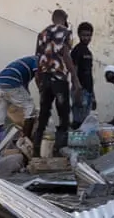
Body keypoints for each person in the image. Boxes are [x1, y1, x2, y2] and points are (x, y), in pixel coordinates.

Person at [34, 9, 79, 155]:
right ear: (65, 18)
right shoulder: (66, 32)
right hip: (59, 78)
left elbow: (38, 57)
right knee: (63, 115)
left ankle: (36, 150)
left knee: (43, 115)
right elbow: (66, 54)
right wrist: (75, 77)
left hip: (45, 78)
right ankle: (59, 150)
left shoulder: (42, 33)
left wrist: (39, 79)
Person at [0, 55, 38, 146]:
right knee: (30, 109)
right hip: (11, 84)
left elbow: (24, 89)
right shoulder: (38, 60)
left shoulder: (24, 64)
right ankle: (25, 144)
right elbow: (38, 77)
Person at [70, 22, 96, 129]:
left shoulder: (88, 52)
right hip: (80, 90)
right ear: (79, 35)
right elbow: (73, 71)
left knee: (85, 122)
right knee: (78, 122)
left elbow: (89, 74)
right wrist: (77, 90)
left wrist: (93, 95)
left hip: (88, 90)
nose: (86, 38)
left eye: (89, 35)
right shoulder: (77, 50)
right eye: (84, 35)